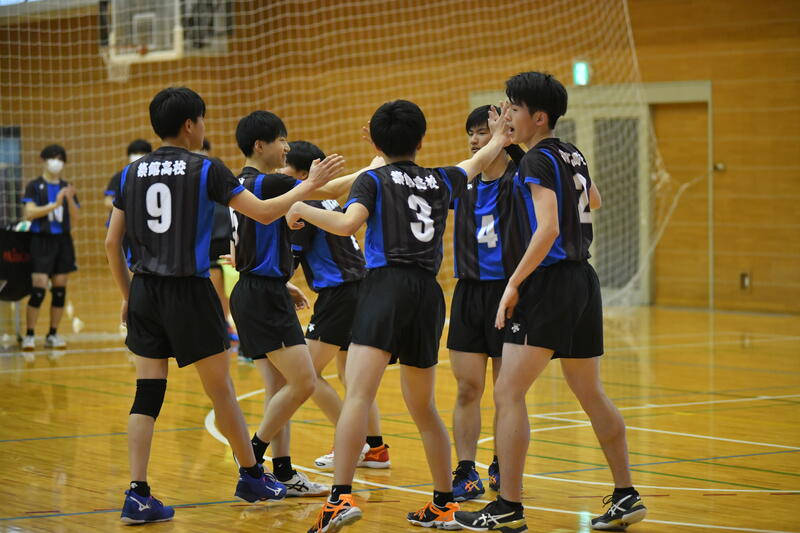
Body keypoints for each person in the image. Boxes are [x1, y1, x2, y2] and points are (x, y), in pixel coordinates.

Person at [105, 87, 343, 524]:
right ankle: (252, 474)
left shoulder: (130, 172)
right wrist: (308, 186)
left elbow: (111, 242)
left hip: (144, 291)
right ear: (191, 124)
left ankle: (137, 492)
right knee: (221, 392)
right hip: (189, 291)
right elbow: (265, 214)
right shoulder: (206, 168)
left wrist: (127, 298)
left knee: (147, 395)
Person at [286, 99, 510, 533]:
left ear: (376, 141)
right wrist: (500, 134)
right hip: (428, 295)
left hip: (386, 288)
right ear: (422, 139)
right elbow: (477, 160)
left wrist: (300, 209)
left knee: (358, 395)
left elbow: (349, 224)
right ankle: (444, 503)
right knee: (424, 407)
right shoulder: (439, 179)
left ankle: (339, 498)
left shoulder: (374, 179)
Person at [453, 72, 646, 533]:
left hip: (551, 281)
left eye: (514, 110)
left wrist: (513, 283)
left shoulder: (537, 159)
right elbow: (593, 199)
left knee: (508, 393)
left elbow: (548, 230)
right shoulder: (570, 152)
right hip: (584, 280)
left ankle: (508, 507)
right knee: (590, 392)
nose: (506, 117)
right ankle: (626, 493)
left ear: (538, 117)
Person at [229, 111, 372, 497]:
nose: (287, 147)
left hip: (256, 289)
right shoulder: (272, 181)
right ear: (260, 146)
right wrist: (377, 167)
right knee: (306, 381)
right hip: (263, 294)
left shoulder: (237, 184)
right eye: (281, 140)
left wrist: (280, 279)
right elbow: (327, 192)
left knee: (280, 390)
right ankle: (252, 463)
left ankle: (284, 471)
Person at [282, 141, 389, 472]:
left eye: (284, 166)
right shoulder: (327, 199)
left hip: (340, 295)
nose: (278, 172)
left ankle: (351, 441)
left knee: (309, 375)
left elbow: (291, 261)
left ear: (302, 173)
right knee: (350, 376)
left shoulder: (304, 203)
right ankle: (376, 448)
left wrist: (271, 276)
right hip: (361, 288)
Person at [448, 106, 527, 502]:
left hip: (509, 293)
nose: (476, 139)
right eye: (473, 133)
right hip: (468, 292)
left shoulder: (522, 179)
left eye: (485, 131)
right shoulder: (462, 183)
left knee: (505, 391)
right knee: (467, 387)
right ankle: (465, 468)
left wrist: (512, 143)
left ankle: (503, 460)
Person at [21, 144, 79, 351]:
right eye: (53, 158)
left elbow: (75, 217)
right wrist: (54, 205)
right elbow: (29, 213)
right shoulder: (34, 186)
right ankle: (29, 335)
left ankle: (52, 334)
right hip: (41, 240)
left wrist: (70, 199)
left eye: (60, 158)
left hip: (62, 241)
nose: (57, 162)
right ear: (43, 160)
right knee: (38, 287)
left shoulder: (66, 185)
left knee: (60, 290)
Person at [197, 138, 237, 343]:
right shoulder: (196, 171)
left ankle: (225, 323)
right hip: (212, 235)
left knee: (226, 285)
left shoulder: (212, 168)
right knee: (215, 286)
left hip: (222, 232)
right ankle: (222, 324)